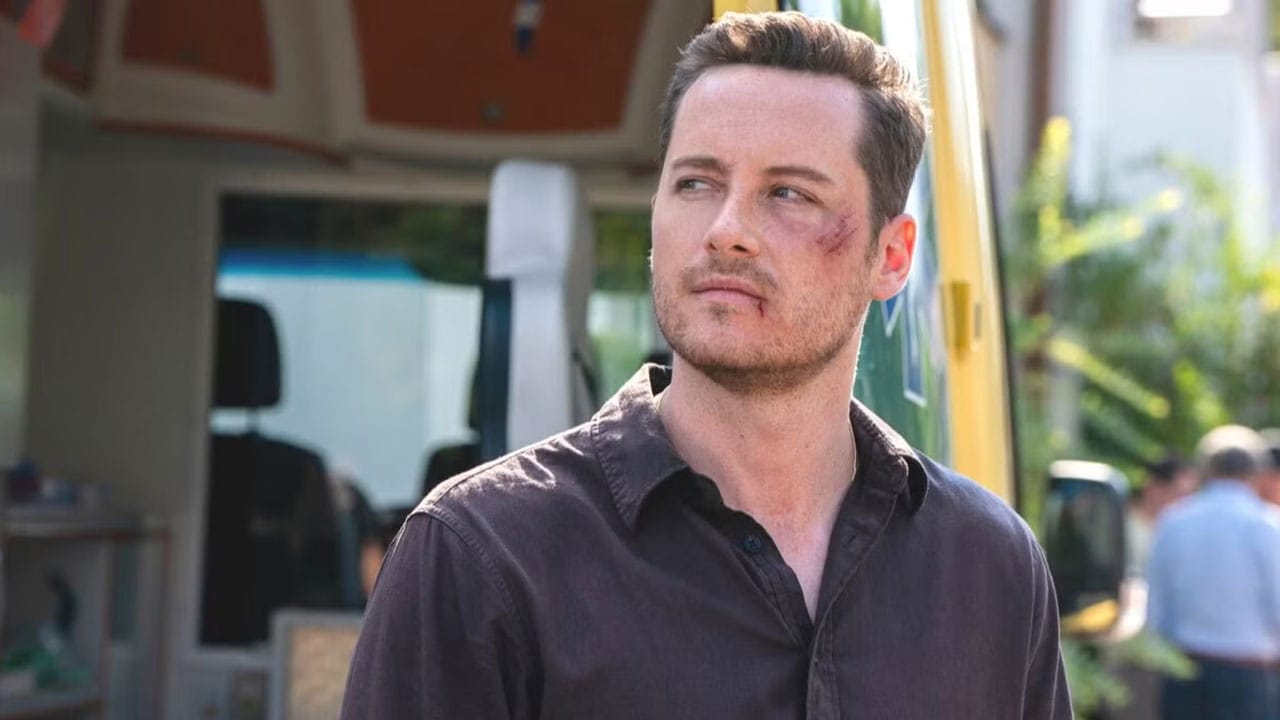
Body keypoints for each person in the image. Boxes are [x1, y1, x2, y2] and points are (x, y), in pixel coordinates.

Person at [341, 12, 1069, 719]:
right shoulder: (478, 554)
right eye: (696, 183)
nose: (726, 231)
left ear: (892, 255)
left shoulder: (992, 571)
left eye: (788, 193)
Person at [1146, 425, 1280, 720]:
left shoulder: (1174, 520)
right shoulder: (1269, 526)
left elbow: (1156, 606)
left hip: (1184, 674)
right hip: (1250, 680)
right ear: (1255, 471)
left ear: (1206, 468)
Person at [1126, 454, 1197, 575]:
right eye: (1179, 494)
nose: (1186, 503)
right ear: (1154, 487)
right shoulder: (1121, 522)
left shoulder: (1185, 533)